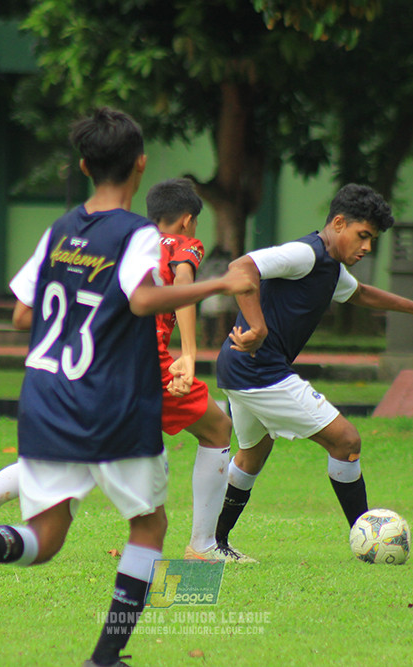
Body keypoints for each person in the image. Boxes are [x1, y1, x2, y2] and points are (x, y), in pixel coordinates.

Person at [0, 107, 252, 667]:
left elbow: (19, 315)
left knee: (46, 538)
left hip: (47, 398)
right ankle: (105, 659)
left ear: (84, 166)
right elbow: (141, 300)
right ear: (140, 164)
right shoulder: (135, 235)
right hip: (112, 401)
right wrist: (221, 283)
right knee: (149, 524)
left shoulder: (59, 230)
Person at [212, 183, 413, 562]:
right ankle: (367, 540)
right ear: (339, 223)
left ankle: (214, 544)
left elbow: (360, 293)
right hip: (258, 370)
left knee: (253, 454)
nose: (367, 247)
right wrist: (258, 327)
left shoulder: (331, 268)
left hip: (241, 369)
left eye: (372, 239)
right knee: (346, 441)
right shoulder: (305, 254)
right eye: (363, 236)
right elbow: (242, 267)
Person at [145, 178, 249, 563]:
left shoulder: (127, 244)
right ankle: (203, 546)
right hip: (147, 365)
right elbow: (185, 284)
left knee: (65, 459)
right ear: (188, 220)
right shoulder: (182, 245)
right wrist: (188, 354)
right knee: (219, 428)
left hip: (99, 364)